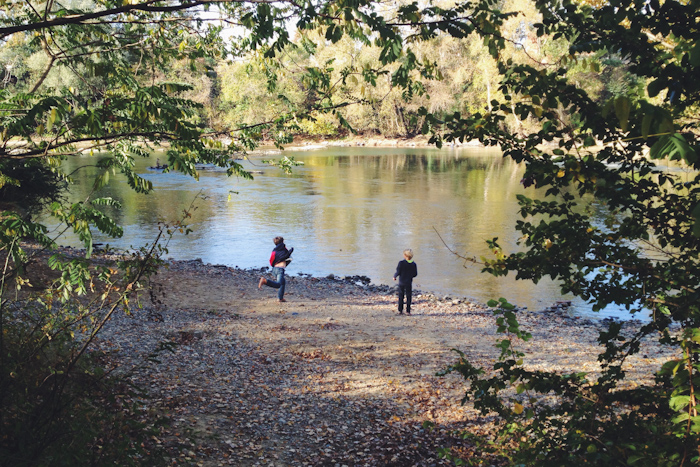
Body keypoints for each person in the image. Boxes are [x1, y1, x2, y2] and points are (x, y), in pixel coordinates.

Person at [258, 236, 294, 302]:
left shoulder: (274, 251)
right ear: (283, 242)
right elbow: (286, 256)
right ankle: (265, 281)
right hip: (280, 269)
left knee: (283, 282)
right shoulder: (283, 249)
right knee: (278, 285)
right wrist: (291, 251)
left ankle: (280, 298)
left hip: (275, 268)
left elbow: (271, 260)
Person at [393, 249, 417, 315]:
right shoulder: (413, 264)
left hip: (401, 282)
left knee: (401, 296)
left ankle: (400, 310)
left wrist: (394, 276)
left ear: (405, 255)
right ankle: (408, 311)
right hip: (409, 282)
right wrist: (410, 276)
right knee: (409, 296)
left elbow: (398, 271)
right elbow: (415, 274)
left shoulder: (401, 263)